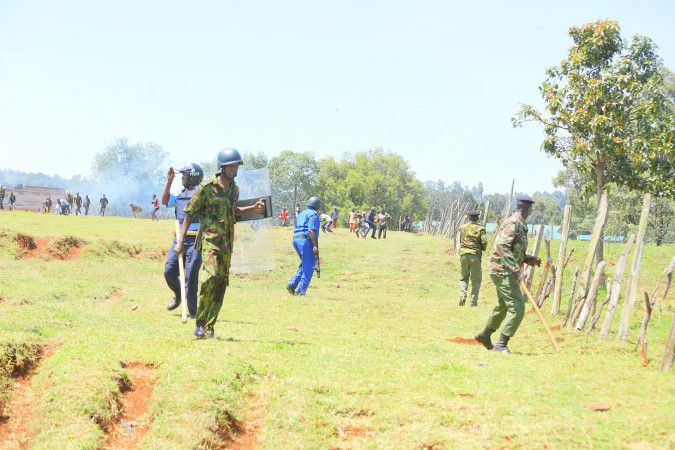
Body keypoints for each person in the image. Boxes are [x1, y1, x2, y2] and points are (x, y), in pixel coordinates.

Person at [175, 148, 265, 339]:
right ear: (222, 167)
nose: (234, 169)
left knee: (221, 283)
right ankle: (199, 322)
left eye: (236, 166)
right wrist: (181, 240)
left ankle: (209, 327)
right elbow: (189, 213)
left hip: (226, 244)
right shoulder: (206, 187)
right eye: (231, 166)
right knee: (210, 277)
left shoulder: (234, 189)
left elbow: (233, 211)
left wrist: (253, 208)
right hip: (209, 241)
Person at [474, 196, 542, 354]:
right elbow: (502, 247)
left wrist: (530, 259)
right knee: (517, 306)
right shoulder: (513, 222)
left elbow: (514, 250)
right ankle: (501, 344)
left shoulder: (521, 224)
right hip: (503, 270)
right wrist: (515, 270)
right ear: (528, 210)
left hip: (505, 269)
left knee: (504, 306)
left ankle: (485, 335)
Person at [163, 162, 205, 319]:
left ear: (193, 176)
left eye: (184, 175)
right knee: (169, 271)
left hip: (195, 238)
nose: (182, 178)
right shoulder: (181, 194)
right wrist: (169, 181)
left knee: (191, 275)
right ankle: (179, 294)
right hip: (179, 238)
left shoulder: (201, 193)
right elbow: (165, 201)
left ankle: (194, 312)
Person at [287, 196, 321, 296]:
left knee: (305, 263)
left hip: (296, 239)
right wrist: (315, 246)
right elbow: (311, 230)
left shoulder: (301, 213)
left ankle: (292, 284)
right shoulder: (313, 215)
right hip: (305, 240)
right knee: (310, 266)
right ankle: (301, 290)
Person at [458, 210, 488, 307]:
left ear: (468, 218)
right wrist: (482, 249)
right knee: (475, 279)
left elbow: (460, 240)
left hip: (463, 255)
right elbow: (484, 242)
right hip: (475, 256)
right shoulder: (480, 228)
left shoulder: (462, 227)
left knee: (464, 278)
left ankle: (463, 296)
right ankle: (473, 302)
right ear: (478, 218)